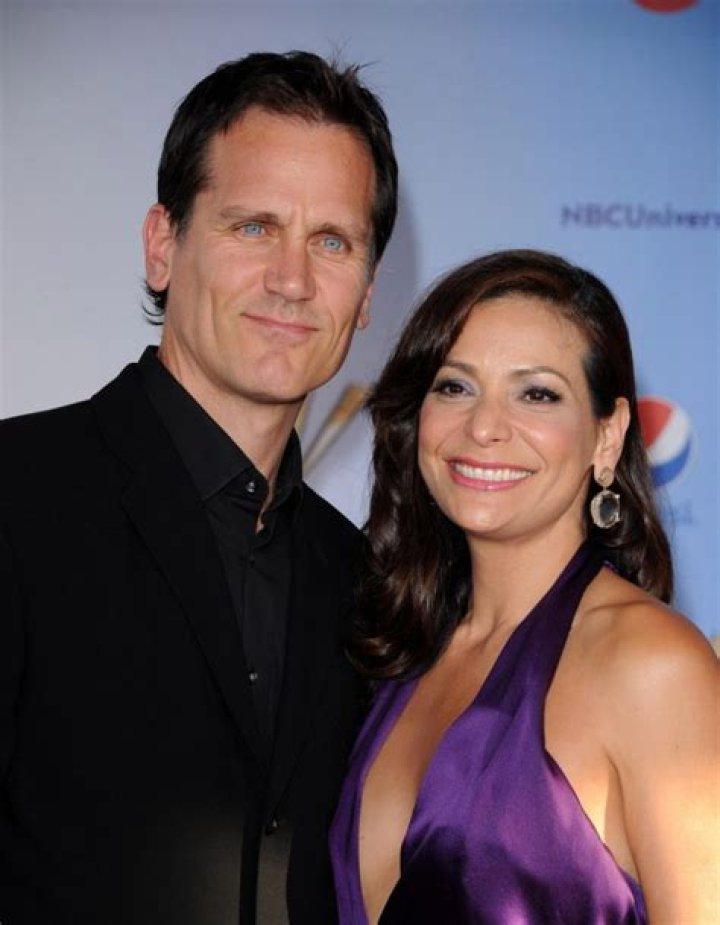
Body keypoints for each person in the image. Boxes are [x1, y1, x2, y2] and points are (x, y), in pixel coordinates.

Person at [0, 51, 397, 925]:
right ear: (162, 245)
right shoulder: (17, 496)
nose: (292, 280)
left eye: (332, 241)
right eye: (254, 226)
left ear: (367, 294)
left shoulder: (360, 577)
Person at [330, 249, 719, 924]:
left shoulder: (653, 666)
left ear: (607, 436)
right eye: (455, 386)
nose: (484, 426)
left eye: (537, 393)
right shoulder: (401, 655)